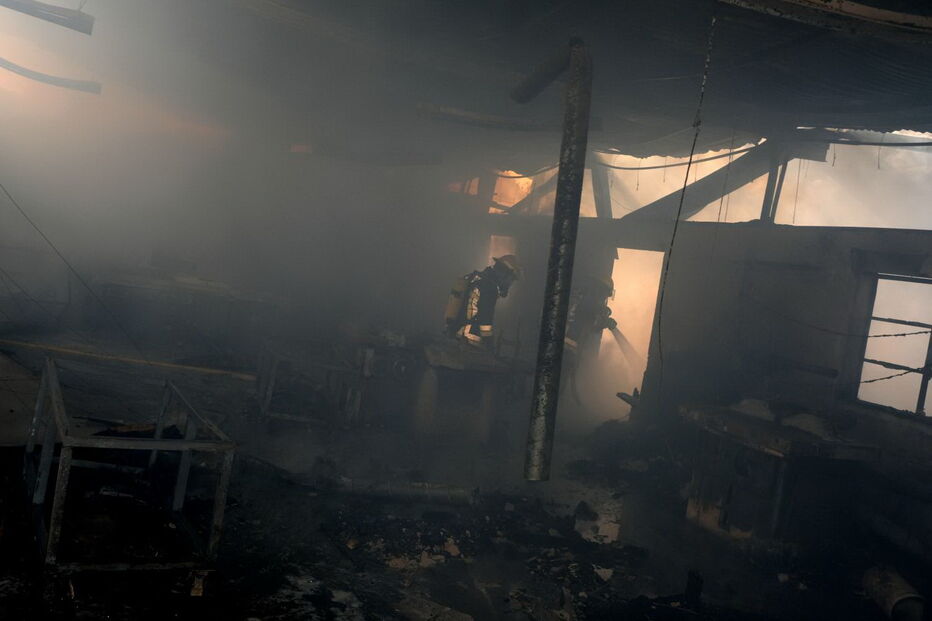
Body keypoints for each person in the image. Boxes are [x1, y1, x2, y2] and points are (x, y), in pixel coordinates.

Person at [444, 254, 522, 346]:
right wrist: (489, 343)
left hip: (457, 334)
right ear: (504, 273)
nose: (510, 284)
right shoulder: (490, 288)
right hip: (469, 340)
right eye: (511, 279)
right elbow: (485, 323)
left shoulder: (477, 278)